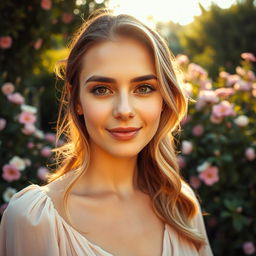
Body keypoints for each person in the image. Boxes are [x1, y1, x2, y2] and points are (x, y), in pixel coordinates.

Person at [0, 9, 214, 256]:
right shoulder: (34, 219)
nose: (124, 110)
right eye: (102, 90)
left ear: (164, 99)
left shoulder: (181, 205)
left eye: (144, 88)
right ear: (76, 98)